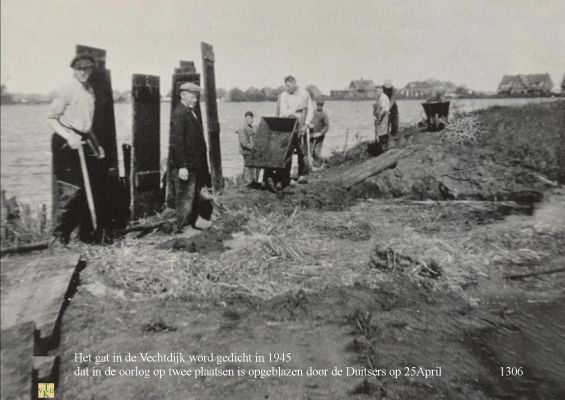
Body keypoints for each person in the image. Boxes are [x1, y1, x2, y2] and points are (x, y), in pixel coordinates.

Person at [46, 54, 106, 246]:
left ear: (91, 70)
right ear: (74, 70)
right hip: (65, 142)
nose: (83, 72)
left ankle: (79, 237)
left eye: (86, 68)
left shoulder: (90, 92)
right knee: (71, 190)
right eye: (79, 69)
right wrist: (69, 136)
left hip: (83, 140)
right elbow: (51, 119)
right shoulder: (66, 90)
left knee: (85, 189)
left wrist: (97, 146)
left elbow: (86, 126)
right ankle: (56, 239)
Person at [169, 82, 212, 232]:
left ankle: (195, 221)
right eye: (193, 96)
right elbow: (178, 142)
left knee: (193, 194)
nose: (196, 100)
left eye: (197, 96)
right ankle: (183, 227)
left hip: (195, 163)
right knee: (185, 198)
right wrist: (182, 166)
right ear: (183, 95)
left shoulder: (189, 112)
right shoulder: (180, 114)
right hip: (187, 164)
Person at [276, 75, 314, 183]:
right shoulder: (284, 95)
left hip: (302, 125)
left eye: (289, 86)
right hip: (289, 126)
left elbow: (310, 109)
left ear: (294, 84)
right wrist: (295, 110)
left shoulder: (304, 94)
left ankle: (302, 174)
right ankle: (286, 176)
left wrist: (306, 124)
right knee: (288, 150)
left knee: (302, 150)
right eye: (286, 86)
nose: (287, 88)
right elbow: (283, 113)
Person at [235, 111, 259, 187]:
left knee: (250, 167)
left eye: (252, 118)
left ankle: (251, 182)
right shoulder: (242, 128)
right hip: (246, 151)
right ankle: (248, 183)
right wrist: (252, 148)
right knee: (247, 167)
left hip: (250, 151)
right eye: (249, 118)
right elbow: (244, 143)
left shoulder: (250, 127)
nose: (250, 120)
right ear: (245, 118)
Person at [309, 100, 330, 168]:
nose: (319, 106)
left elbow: (327, 126)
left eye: (321, 105)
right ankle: (312, 165)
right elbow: (308, 121)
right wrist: (309, 125)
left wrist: (320, 133)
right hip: (311, 135)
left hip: (320, 137)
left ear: (323, 105)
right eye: (318, 105)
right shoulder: (312, 113)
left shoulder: (324, 115)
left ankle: (318, 166)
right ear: (316, 105)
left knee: (317, 151)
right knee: (310, 151)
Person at [373, 85, 390, 152]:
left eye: (377, 91)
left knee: (382, 133)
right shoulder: (380, 97)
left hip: (384, 116)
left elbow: (383, 110)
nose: (376, 93)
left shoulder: (383, 97)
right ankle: (383, 148)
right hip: (382, 115)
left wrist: (379, 117)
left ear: (381, 90)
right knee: (381, 132)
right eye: (376, 91)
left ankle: (384, 149)